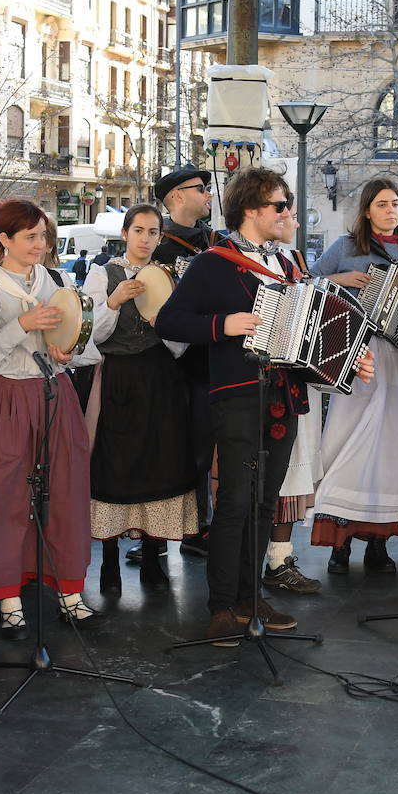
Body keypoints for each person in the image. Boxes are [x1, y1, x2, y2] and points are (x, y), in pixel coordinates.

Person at [155, 167, 373, 645]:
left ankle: (249, 597)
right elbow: (169, 321)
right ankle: (220, 606)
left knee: (263, 503)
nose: (288, 214)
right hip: (236, 396)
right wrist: (224, 325)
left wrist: (349, 358)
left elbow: (313, 330)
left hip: (285, 396)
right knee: (235, 501)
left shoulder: (291, 264)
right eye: (280, 206)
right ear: (251, 210)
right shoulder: (216, 262)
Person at [0, 199, 104, 637]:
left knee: (64, 491)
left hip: (53, 393)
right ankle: (7, 596)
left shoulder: (57, 279)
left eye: (43, 234)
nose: (40, 243)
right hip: (3, 399)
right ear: (4, 240)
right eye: (30, 236)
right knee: (3, 497)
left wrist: (69, 351)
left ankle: (69, 590)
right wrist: (24, 324)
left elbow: (81, 342)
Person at [310, 178, 398, 576]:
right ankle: (340, 542)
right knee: (351, 444)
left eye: (395, 204)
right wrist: (339, 280)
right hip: (360, 355)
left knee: (396, 451)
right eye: (382, 204)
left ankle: (378, 543)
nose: (391, 210)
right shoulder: (344, 249)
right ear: (367, 210)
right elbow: (304, 284)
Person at [84, 203, 198, 595]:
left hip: (159, 378)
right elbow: (88, 335)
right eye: (139, 231)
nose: (146, 239)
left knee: (160, 461)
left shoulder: (168, 277)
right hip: (118, 377)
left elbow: (181, 346)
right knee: (114, 464)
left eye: (153, 233)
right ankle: (110, 563)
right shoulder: (103, 273)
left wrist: (162, 324)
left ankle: (153, 556)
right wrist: (114, 302)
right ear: (125, 233)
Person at [151, 165, 219, 561]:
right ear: (176, 196)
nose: (208, 194)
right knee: (166, 448)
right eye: (200, 189)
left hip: (206, 361)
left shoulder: (217, 241)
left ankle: (198, 525)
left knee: (202, 448)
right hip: (165, 365)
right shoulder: (158, 244)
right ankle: (157, 532)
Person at [263, 212, 322, 595]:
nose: (295, 222)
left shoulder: (296, 262)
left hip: (299, 384)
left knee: (294, 476)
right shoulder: (235, 260)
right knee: (268, 477)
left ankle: (280, 557)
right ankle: (262, 563)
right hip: (264, 385)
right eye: (285, 213)